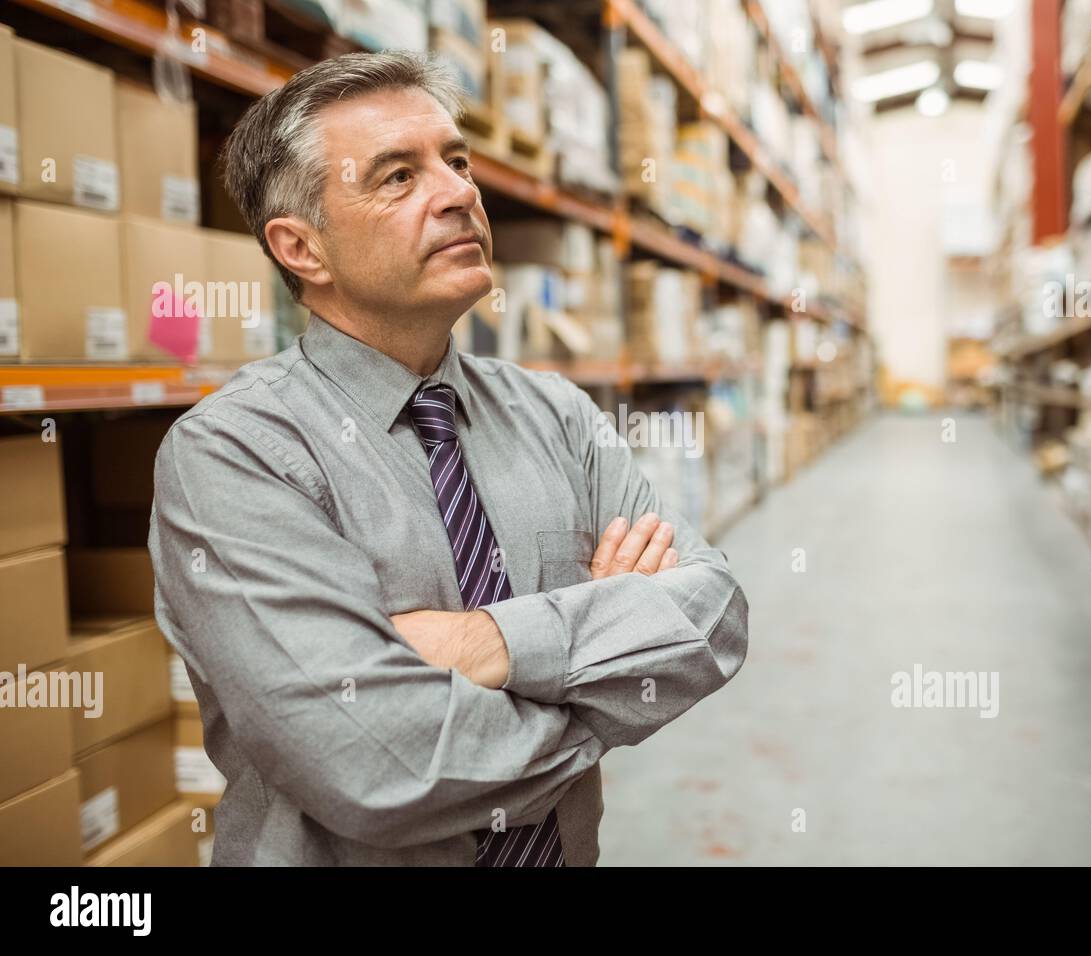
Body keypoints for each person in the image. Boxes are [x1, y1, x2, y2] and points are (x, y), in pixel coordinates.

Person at [147, 51, 749, 866]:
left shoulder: (558, 415)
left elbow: (712, 614)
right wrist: (599, 690)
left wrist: (488, 644)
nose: (461, 192)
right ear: (302, 249)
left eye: (456, 162)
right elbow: (378, 767)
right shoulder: (234, 454)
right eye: (397, 176)